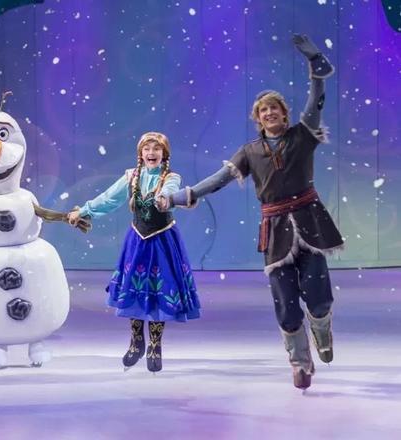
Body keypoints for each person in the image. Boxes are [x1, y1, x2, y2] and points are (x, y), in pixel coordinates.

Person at [162, 35, 342, 389]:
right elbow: (219, 180)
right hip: (275, 231)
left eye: (275, 108)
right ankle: (300, 363)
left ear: (284, 113)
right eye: (263, 111)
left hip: (309, 222)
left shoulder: (302, 135)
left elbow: (315, 102)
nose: (270, 113)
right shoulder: (249, 151)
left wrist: (315, 67)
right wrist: (183, 196)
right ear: (258, 119)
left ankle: (322, 330)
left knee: (318, 295)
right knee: (285, 303)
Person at [68, 132, 200, 373]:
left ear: (164, 153)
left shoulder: (171, 177)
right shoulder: (131, 177)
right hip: (137, 240)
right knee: (135, 288)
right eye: (147, 149)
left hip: (162, 240)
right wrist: (84, 211)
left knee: (159, 289)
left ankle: (155, 346)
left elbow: (170, 191)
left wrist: (165, 198)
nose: (151, 153)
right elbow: (109, 198)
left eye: (156, 149)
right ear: (140, 153)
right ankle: (136, 341)